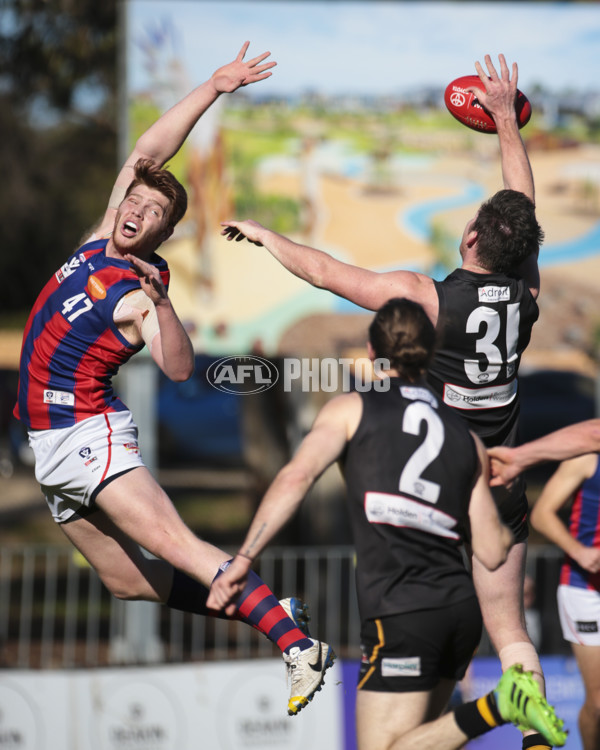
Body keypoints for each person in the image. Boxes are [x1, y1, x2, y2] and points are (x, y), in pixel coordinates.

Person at [220, 54, 551, 748]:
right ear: (522, 251)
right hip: (503, 479)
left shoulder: (428, 296)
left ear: (468, 239)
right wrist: (503, 125)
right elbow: (521, 207)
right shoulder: (527, 296)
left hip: (441, 483)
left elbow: (325, 272)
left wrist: (266, 235)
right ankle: (536, 737)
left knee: (433, 649)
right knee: (510, 633)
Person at [13, 42, 334, 716]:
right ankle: (273, 608)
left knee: (182, 548)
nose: (137, 210)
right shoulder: (101, 238)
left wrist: (160, 305)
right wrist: (213, 88)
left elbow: (178, 366)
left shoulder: (136, 288)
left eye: (153, 214)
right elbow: (149, 151)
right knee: (128, 580)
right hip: (50, 449)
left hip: (86, 438)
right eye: (134, 201)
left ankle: (298, 647)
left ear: (161, 233)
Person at [207, 298, 567, 749]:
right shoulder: (465, 438)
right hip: (459, 612)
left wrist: (245, 556)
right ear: (430, 355)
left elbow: (296, 476)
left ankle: (500, 705)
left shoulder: (349, 410)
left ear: (371, 353)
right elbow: (493, 551)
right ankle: (499, 708)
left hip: (402, 610)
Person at [528, 453, 600, 750]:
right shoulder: (586, 460)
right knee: (598, 704)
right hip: (585, 589)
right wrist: (579, 551)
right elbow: (541, 514)